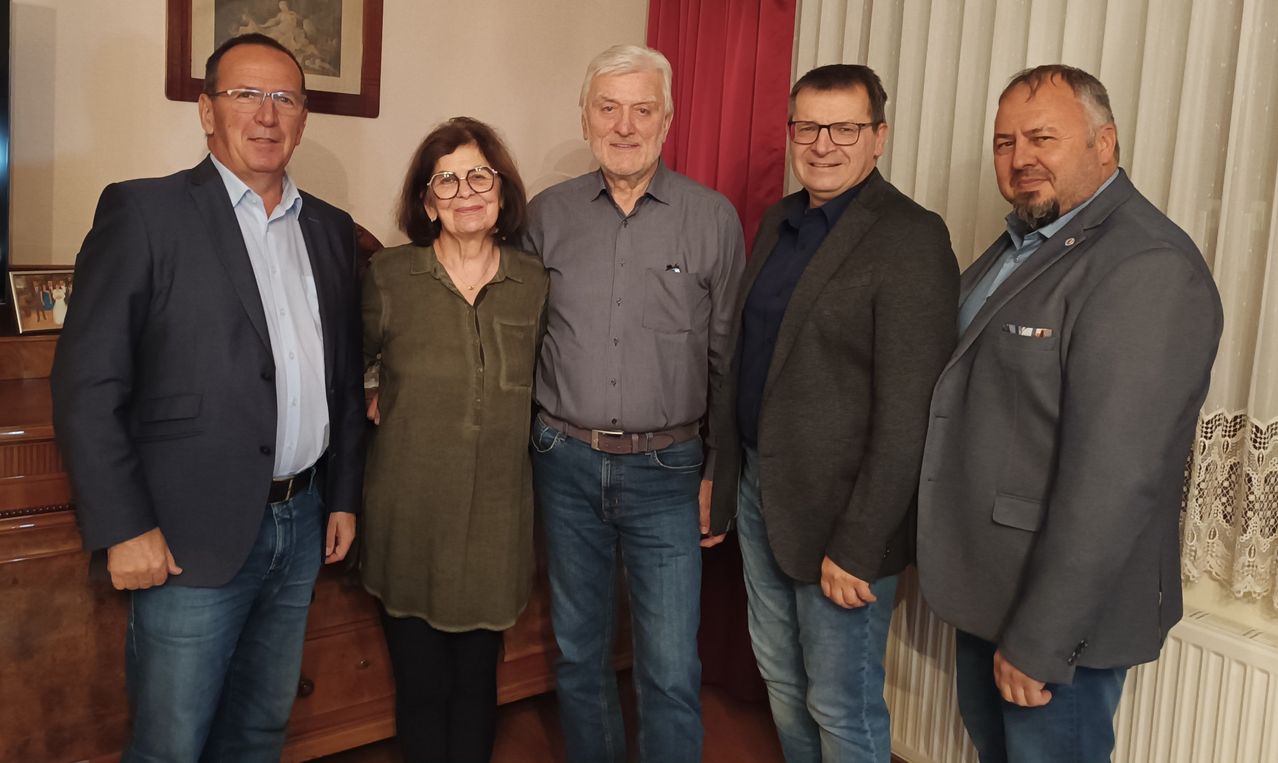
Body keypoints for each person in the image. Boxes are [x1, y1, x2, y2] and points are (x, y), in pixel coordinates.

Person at [50, 33, 364, 762]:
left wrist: (343, 492)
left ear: (304, 117)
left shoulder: (331, 229)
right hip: (187, 534)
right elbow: (87, 381)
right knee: (171, 742)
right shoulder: (145, 213)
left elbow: (343, 379)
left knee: (260, 730)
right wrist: (122, 525)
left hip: (303, 521)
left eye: (284, 98)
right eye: (244, 95)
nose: (265, 114)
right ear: (206, 109)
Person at [917, 64, 1223, 762]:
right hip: (994, 585)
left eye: (1042, 137)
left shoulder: (1146, 265)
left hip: (1055, 619)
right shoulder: (1025, 243)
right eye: (1004, 142)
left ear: (1105, 143)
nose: (1020, 157)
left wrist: (1042, 637)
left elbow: (1114, 479)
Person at [709, 64, 958, 762]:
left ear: (878, 137)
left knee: (840, 701)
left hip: (843, 516)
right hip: (763, 491)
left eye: (844, 127)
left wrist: (860, 543)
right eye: (808, 127)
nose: (823, 144)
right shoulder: (778, 220)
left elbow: (911, 410)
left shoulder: (910, 237)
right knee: (782, 679)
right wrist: (727, 480)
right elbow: (746, 359)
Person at [523, 44, 745, 763]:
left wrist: (721, 469)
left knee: (671, 667)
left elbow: (728, 363)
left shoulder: (713, 220)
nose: (625, 126)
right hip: (564, 463)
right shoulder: (545, 217)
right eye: (608, 108)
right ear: (585, 117)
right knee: (579, 655)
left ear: (668, 118)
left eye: (642, 109)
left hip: (670, 472)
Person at [360, 117, 547, 763]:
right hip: (407, 515)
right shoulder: (389, 276)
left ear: (501, 190)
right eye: (447, 179)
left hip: (497, 519)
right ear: (426, 199)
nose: (465, 190)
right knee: (420, 682)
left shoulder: (534, 280)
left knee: (476, 682)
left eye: (479, 175)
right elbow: (347, 368)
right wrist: (370, 387)